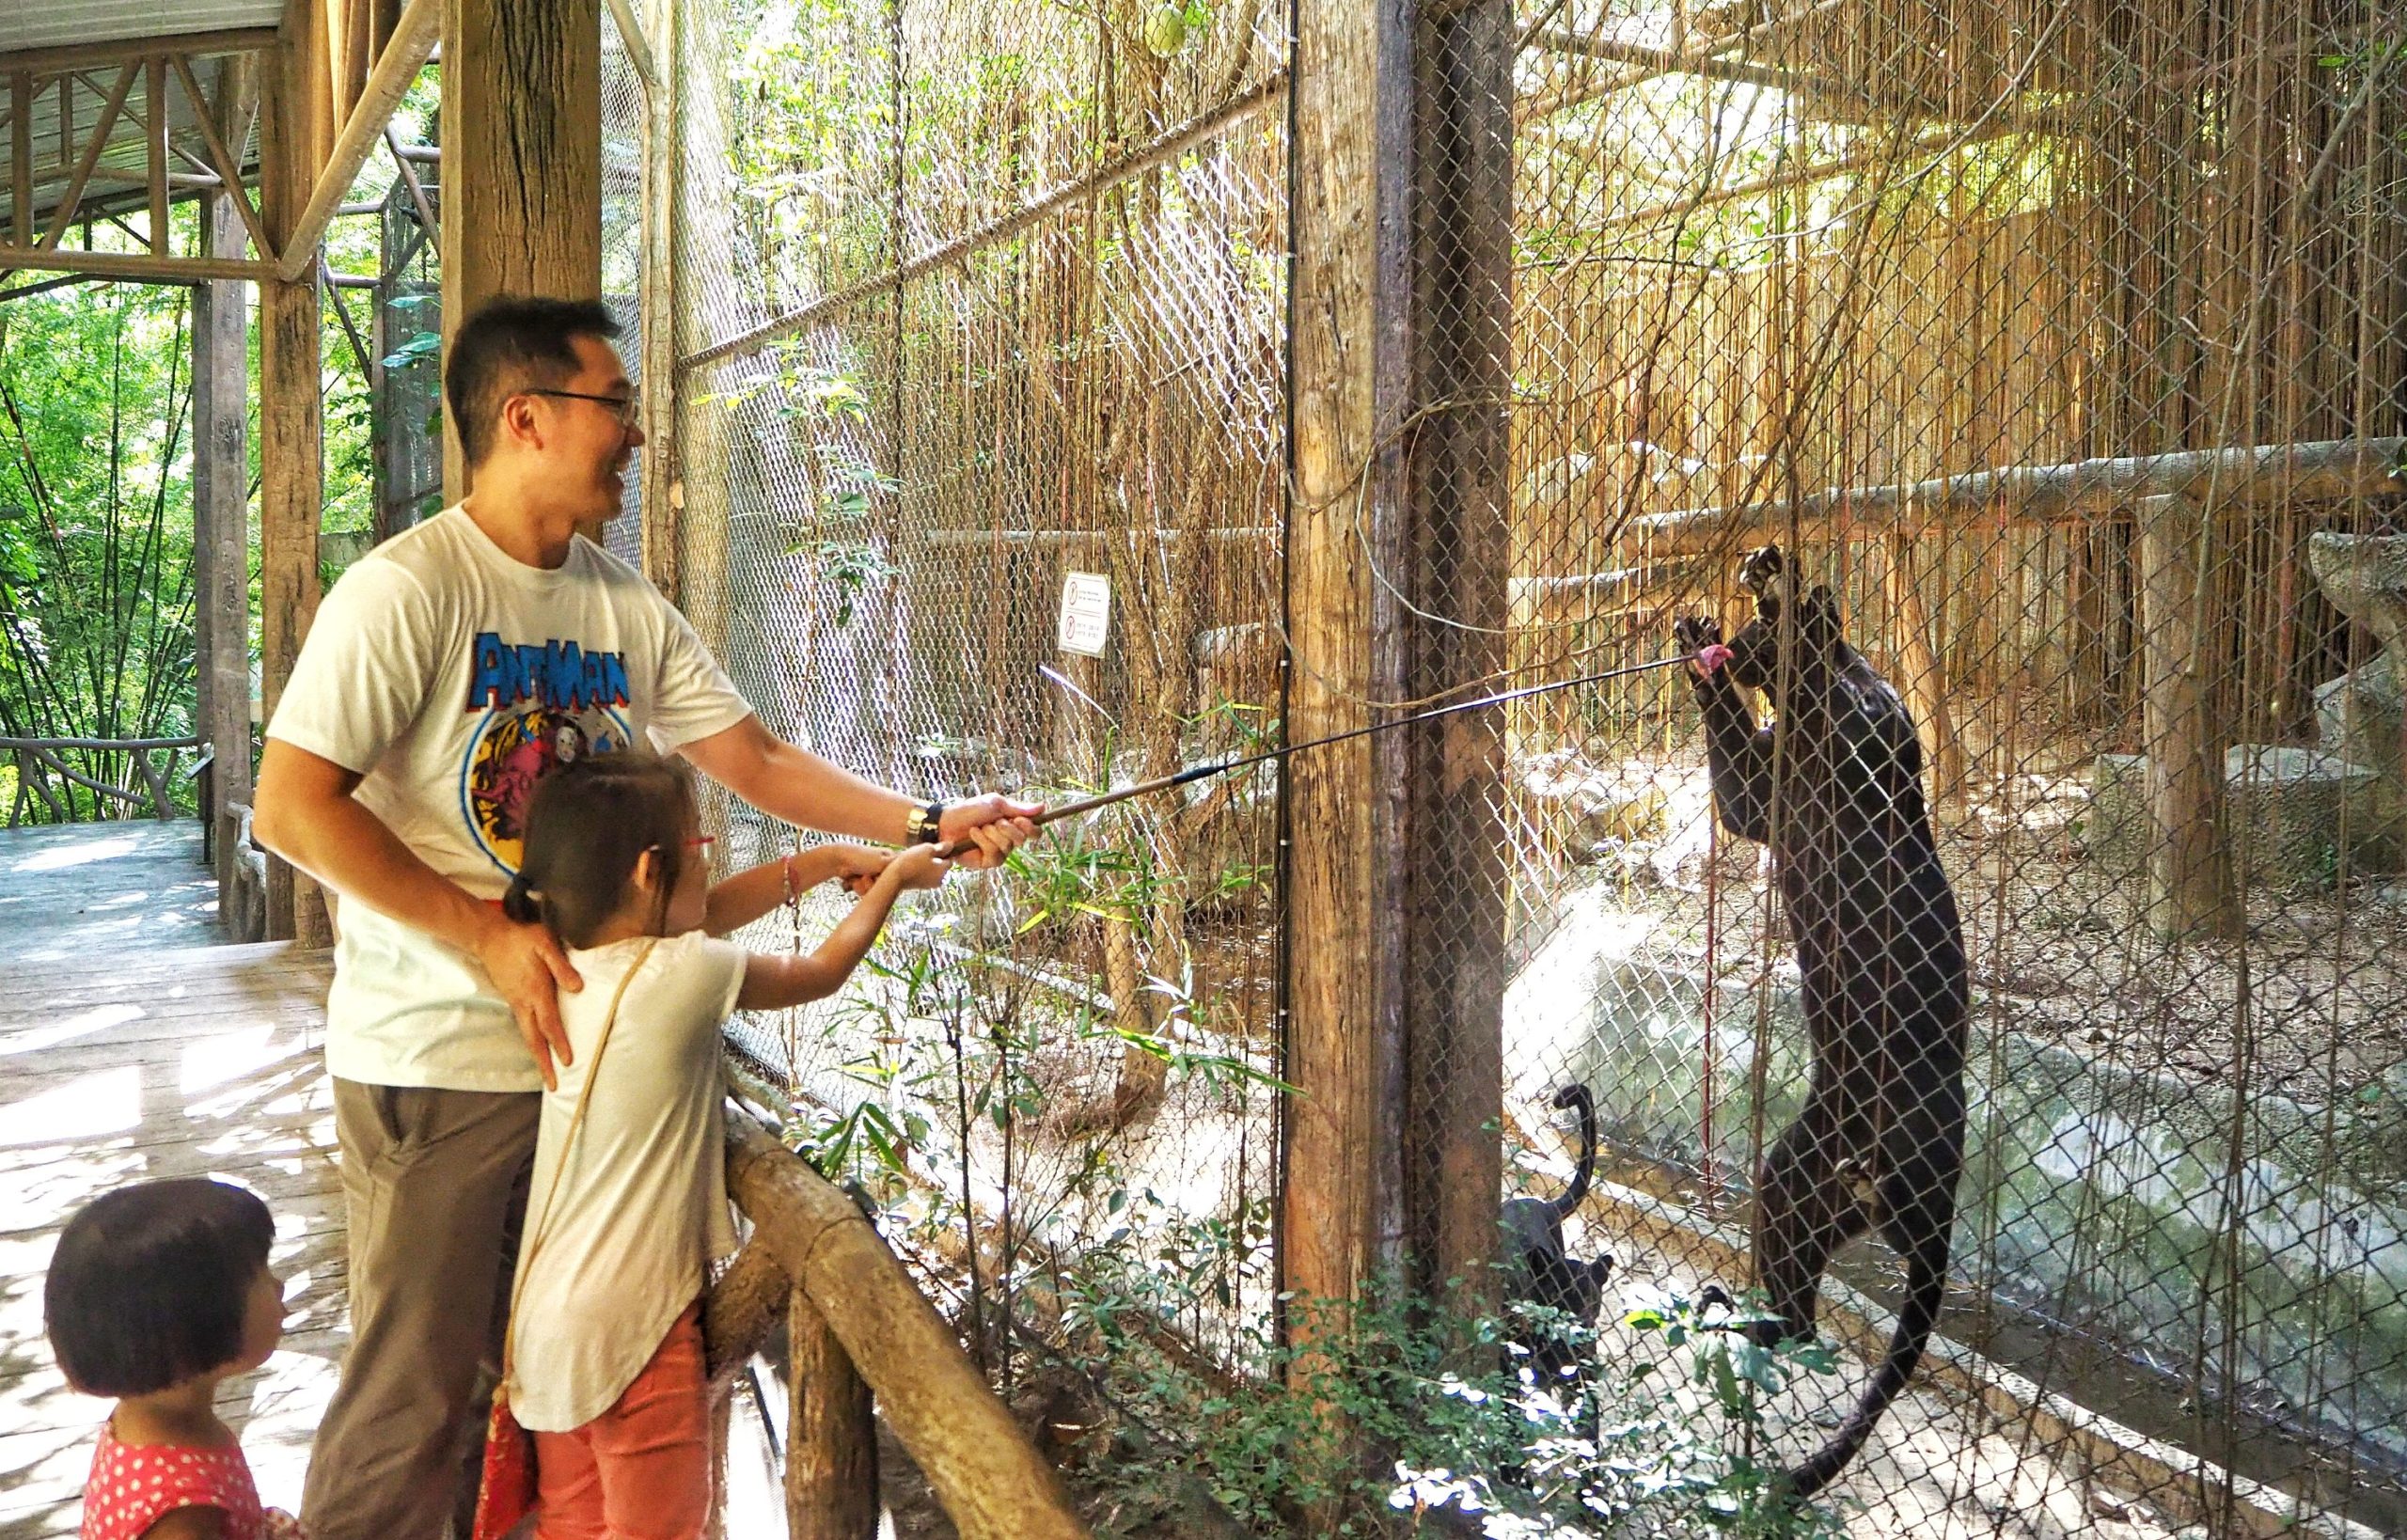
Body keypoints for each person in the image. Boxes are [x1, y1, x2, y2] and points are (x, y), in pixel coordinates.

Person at [251, 293, 1039, 1540]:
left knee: (541, 1399)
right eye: (614, 405)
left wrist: (926, 822)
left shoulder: (621, 605)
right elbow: (292, 808)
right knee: (421, 1400)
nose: (635, 433)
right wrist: (486, 931)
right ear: (526, 418)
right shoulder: (408, 592)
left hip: (586, 1070)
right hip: (443, 1059)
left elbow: (761, 758)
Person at [496, 753, 942, 1540]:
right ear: (648, 871)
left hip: (543, 1321)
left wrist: (830, 862)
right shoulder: (682, 972)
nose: (714, 863)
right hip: (633, 1325)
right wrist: (894, 883)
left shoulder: (559, 970)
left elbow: (694, 919)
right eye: (703, 848)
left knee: (577, 1525)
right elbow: (818, 971)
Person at [43, 1179, 304, 1540]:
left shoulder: (151, 1420)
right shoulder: (183, 1516)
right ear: (197, 1324)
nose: (279, 1286)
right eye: (260, 1275)